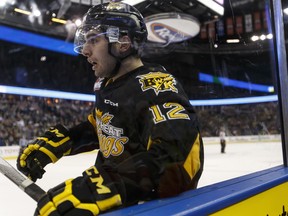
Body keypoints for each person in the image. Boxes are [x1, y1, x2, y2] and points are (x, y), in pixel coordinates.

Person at [16, 2, 204, 215]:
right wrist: (64, 141)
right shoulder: (108, 83)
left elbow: (178, 158)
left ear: (122, 44)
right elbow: (106, 124)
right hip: (118, 206)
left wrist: (102, 187)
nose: (85, 51)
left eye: (94, 40)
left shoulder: (156, 87)